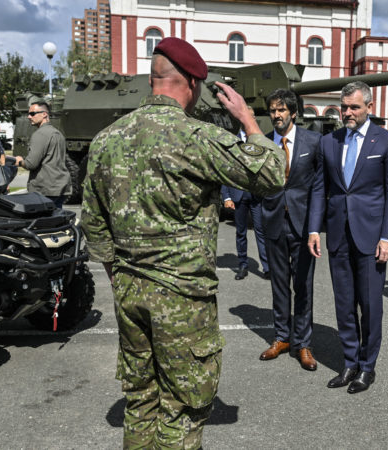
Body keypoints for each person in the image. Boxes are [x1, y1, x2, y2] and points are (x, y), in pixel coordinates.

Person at [81, 37, 285, 448]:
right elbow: (272, 175)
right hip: (183, 298)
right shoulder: (197, 137)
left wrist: (121, 276)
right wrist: (248, 120)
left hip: (128, 293)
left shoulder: (106, 140)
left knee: (140, 402)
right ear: (192, 82)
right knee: (182, 409)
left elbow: (94, 225)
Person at [308, 81, 388, 393]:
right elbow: (320, 189)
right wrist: (313, 229)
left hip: (371, 236)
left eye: (354, 107)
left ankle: (367, 366)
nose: (347, 112)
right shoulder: (329, 142)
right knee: (344, 302)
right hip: (337, 234)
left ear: (368, 108)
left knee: (371, 304)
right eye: (344, 107)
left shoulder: (386, 141)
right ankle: (349, 362)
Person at [259, 88, 322, 371]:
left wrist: (315, 227)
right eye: (273, 110)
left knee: (303, 286)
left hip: (303, 225)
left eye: (282, 110)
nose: (277, 115)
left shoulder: (313, 141)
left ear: (293, 113)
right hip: (273, 221)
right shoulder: (261, 143)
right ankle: (282, 338)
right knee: (279, 286)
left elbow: (320, 185)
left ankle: (303, 344)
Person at [221, 107, 270, 281]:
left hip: (257, 195)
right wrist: (226, 196)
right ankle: (242, 265)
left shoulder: (261, 140)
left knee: (261, 231)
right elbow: (226, 171)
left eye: (251, 116)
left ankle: (266, 267)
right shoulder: (231, 141)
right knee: (240, 232)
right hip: (238, 195)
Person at [14, 102, 71, 208]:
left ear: (44, 114)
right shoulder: (58, 133)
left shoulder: (40, 134)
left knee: (43, 222)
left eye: (32, 113)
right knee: (56, 221)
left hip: (45, 189)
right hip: (60, 187)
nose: (29, 117)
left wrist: (20, 161)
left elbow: (31, 164)